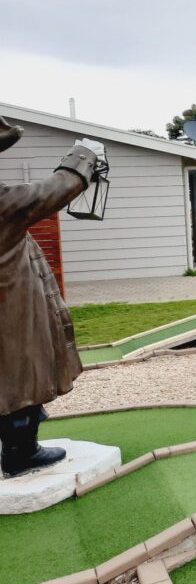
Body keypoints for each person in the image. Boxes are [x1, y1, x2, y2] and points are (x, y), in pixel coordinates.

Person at [0, 118, 101, 478]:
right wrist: (84, 155)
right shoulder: (4, 205)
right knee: (21, 378)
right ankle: (20, 452)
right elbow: (55, 189)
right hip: (9, 311)